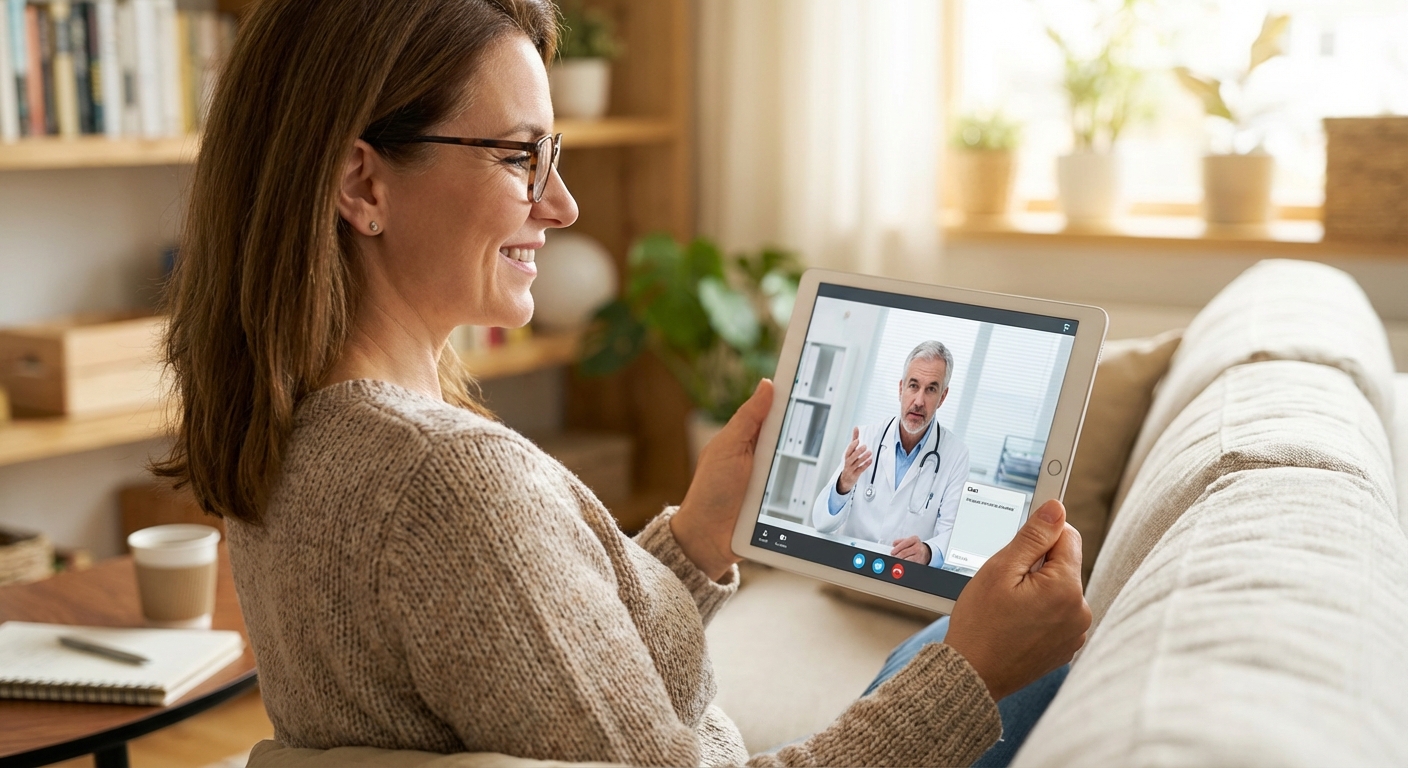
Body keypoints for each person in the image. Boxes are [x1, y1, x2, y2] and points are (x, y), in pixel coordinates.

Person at [155, 1, 1091, 766]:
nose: (560, 204)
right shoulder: (448, 485)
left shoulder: (289, 431)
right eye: (521, 157)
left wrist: (692, 536)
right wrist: (971, 673)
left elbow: (536, 676)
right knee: (1031, 654)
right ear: (362, 185)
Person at [810, 341, 971, 567]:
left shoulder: (956, 455)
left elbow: (952, 535)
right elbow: (821, 522)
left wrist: (927, 552)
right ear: (901, 389)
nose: (918, 401)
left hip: (904, 577)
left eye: (931, 389)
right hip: (851, 569)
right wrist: (844, 483)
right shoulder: (866, 438)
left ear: (942, 397)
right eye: (913, 386)